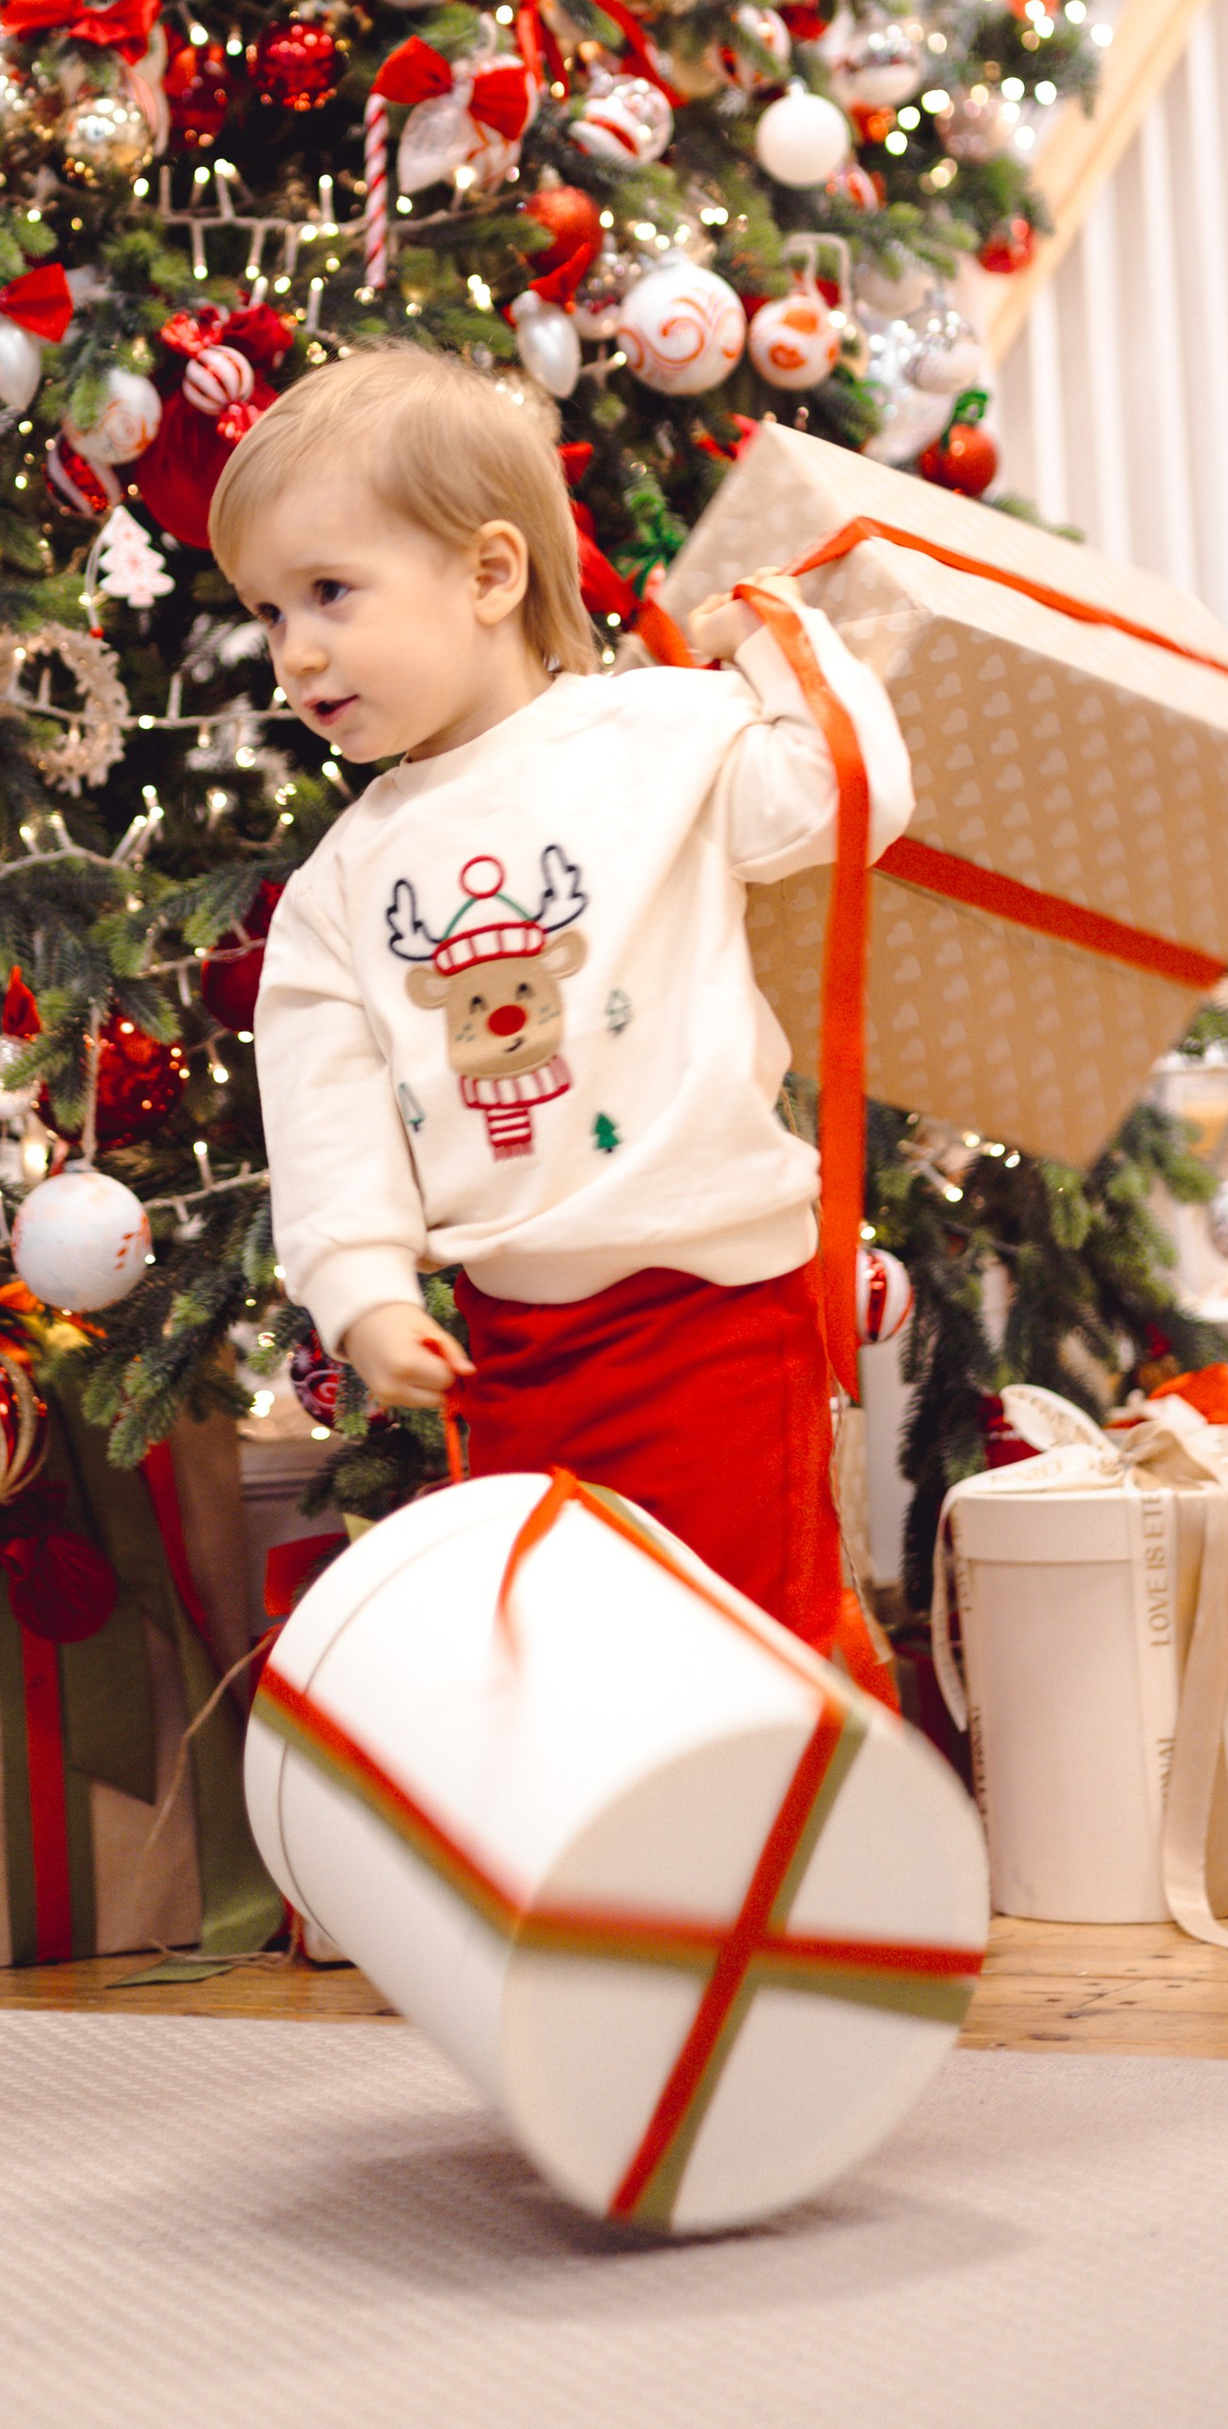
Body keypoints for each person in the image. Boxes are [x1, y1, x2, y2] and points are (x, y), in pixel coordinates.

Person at [212, 343, 912, 1660]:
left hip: (717, 1306)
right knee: (566, 1661)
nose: (297, 654)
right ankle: (616, 1870)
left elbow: (848, 794)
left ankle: (782, 1857)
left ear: (489, 575)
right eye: (268, 614)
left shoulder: (658, 736)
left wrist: (772, 640)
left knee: (746, 1644)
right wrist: (361, 1292)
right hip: (514, 1349)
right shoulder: (340, 886)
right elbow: (324, 1117)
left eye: (328, 593)